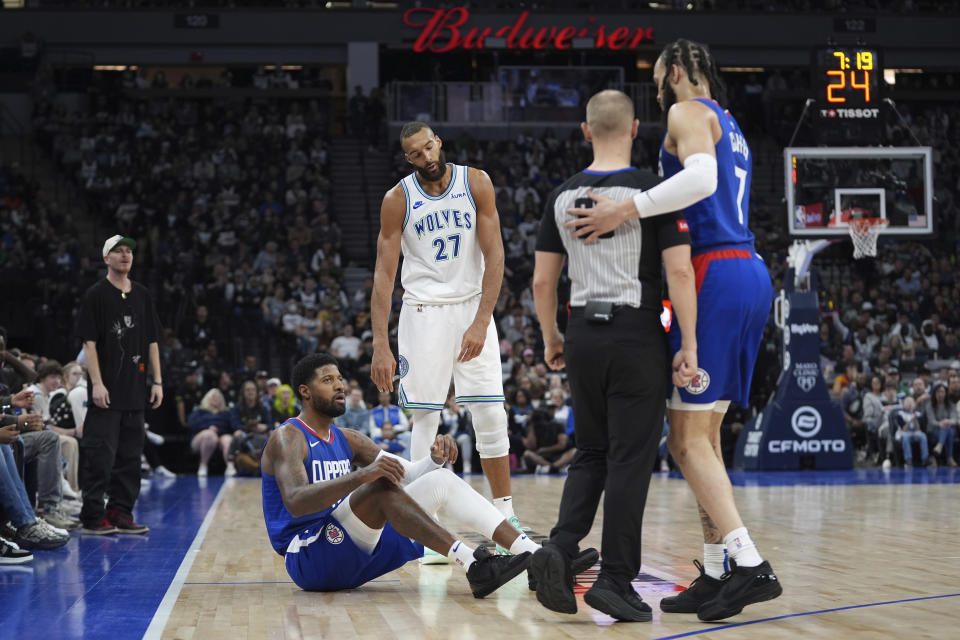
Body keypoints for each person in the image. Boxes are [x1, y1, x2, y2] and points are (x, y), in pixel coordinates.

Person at [562, 42, 783, 621]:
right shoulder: (728, 123)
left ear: (677, 74)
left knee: (684, 442)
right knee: (704, 440)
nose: (657, 92)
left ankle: (749, 563)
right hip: (750, 274)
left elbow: (702, 181)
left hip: (713, 273)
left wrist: (624, 209)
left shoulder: (689, 111)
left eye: (658, 79)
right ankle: (714, 573)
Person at [530, 89, 698, 622]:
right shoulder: (652, 193)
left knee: (591, 452)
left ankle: (558, 549)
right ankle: (615, 580)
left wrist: (551, 337)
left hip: (581, 332)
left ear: (585, 131)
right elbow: (678, 272)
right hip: (635, 332)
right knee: (629, 459)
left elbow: (541, 280)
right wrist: (688, 344)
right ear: (635, 129)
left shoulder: (560, 196)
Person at [260, 353, 538, 597]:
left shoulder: (348, 439)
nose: (340, 385)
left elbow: (408, 475)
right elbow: (296, 502)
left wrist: (434, 460)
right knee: (379, 486)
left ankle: (534, 555)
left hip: (352, 551)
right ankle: (474, 563)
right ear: (305, 392)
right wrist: (362, 477)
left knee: (439, 480)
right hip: (310, 557)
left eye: (340, 378)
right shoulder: (288, 437)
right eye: (328, 380)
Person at [370, 122, 521, 544]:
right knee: (425, 417)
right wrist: (380, 343)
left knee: (491, 413)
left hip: (472, 305)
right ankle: (427, 528)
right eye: (417, 154)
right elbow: (384, 275)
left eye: (430, 147)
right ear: (409, 158)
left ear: (439, 141)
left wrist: (479, 320)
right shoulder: (397, 199)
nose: (427, 157)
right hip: (423, 312)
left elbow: (495, 255)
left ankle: (507, 516)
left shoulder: (476, 182)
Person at [76, 234, 162, 535]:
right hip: (107, 391)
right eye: (118, 251)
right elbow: (89, 344)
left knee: (129, 458)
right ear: (106, 258)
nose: (125, 255)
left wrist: (158, 381)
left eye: (129, 251)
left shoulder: (141, 294)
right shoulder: (96, 295)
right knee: (100, 456)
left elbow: (152, 340)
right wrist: (96, 384)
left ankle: (120, 512)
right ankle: (92, 516)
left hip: (135, 391)